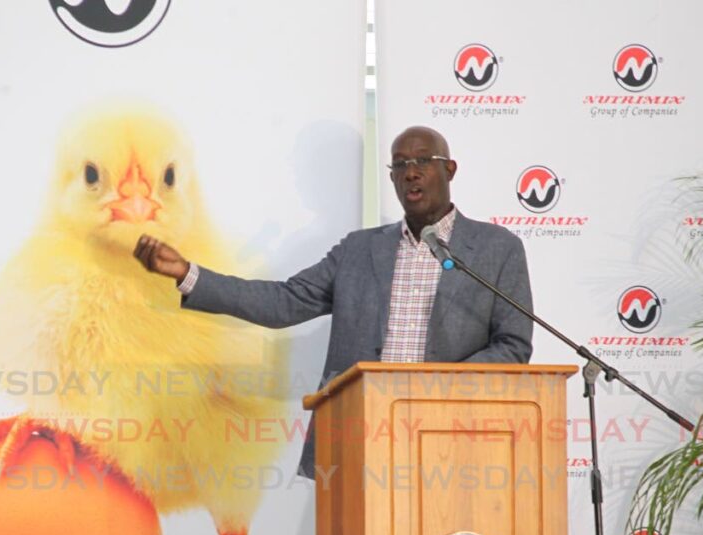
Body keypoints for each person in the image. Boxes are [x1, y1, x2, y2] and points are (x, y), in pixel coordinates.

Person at [134, 126, 533, 477]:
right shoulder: (359, 250)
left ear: (449, 170)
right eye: (399, 164)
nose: (410, 171)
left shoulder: (497, 249)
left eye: (423, 161)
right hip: (364, 432)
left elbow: (512, 345)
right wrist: (188, 273)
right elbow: (283, 302)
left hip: (451, 434)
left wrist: (440, 387)